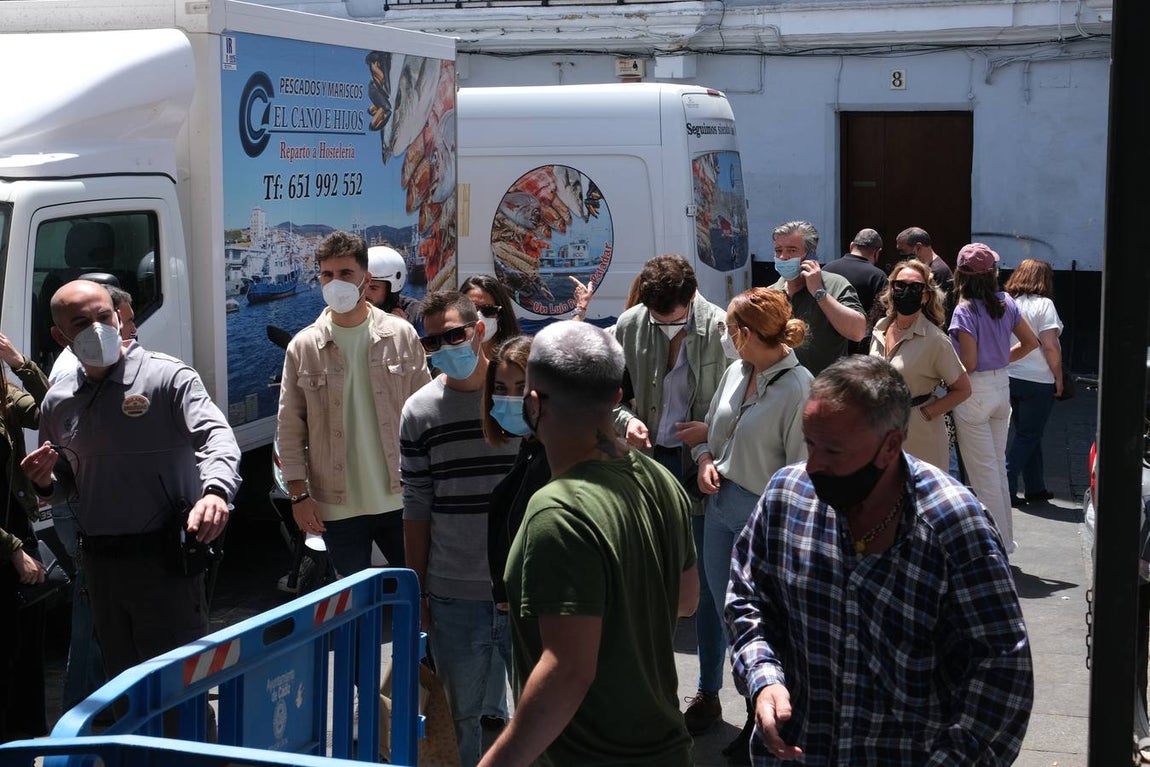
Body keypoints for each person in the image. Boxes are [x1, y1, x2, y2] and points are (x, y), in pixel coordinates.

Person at [727, 355, 1034, 765]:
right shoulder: (787, 495)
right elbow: (748, 599)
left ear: (890, 446)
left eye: (833, 450)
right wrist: (763, 678)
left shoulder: (954, 526)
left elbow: (1002, 672)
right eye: (810, 442)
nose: (813, 464)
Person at [479, 321, 697, 767]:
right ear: (617, 397)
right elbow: (687, 600)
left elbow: (567, 670)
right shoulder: (660, 479)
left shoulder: (556, 513)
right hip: (666, 749)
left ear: (534, 404)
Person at [22, 279, 241, 682]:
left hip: (166, 563)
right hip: (101, 568)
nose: (96, 329)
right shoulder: (59, 400)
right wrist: (44, 483)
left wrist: (214, 492)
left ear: (120, 316)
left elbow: (217, 437)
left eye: (104, 316)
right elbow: (66, 482)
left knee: (179, 689)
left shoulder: (169, 378)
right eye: (81, 322)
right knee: (125, 689)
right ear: (60, 335)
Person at [610, 253, 728, 735]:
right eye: (655, 318)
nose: (662, 325)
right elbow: (609, 395)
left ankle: (709, 690)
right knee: (644, 579)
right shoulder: (629, 324)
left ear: (691, 300)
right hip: (645, 462)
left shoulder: (721, 328)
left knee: (704, 586)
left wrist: (710, 438)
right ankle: (648, 687)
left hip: (701, 464)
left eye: (672, 318)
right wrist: (626, 420)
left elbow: (738, 403)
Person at [400, 290, 519, 767]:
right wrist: (420, 592)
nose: (445, 346)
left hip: (528, 587)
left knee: (541, 711)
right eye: (432, 342)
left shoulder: (518, 397)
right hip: (454, 592)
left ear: (479, 330)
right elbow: (417, 506)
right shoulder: (419, 412)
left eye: (453, 334)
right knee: (459, 720)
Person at [693, 288, 812, 762]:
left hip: (763, 519)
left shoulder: (798, 386)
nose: (724, 334)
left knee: (760, 624)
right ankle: (750, 713)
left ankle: (762, 722)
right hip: (719, 509)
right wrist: (704, 459)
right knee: (726, 614)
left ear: (746, 333)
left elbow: (803, 475)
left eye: (729, 328)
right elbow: (710, 429)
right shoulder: (736, 370)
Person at [278, 232, 430, 578]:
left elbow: (425, 416)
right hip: (336, 508)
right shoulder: (303, 348)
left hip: (402, 499)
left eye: (345, 274)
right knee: (355, 608)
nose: (335, 283)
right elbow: (289, 427)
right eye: (327, 275)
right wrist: (299, 496)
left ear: (366, 279)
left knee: (421, 593)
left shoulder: (401, 335)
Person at [948, 244, 1039, 555]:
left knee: (983, 473)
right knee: (996, 468)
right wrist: (1001, 358)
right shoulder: (1005, 301)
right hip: (1001, 385)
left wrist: (944, 374)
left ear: (960, 275)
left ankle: (995, 548)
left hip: (974, 391)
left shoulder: (965, 310)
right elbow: (1031, 342)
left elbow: (969, 363)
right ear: (993, 274)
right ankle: (1005, 542)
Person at [869, 259, 971, 470]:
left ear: (925, 296)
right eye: (901, 285)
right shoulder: (880, 328)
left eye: (916, 287)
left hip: (919, 435)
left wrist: (926, 414)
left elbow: (963, 389)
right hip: (880, 429)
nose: (907, 291)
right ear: (891, 289)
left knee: (917, 498)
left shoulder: (935, 340)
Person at [0, 331, 50, 741]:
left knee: (26, 647)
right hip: (6, 541)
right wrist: (13, 549)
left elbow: (50, 412)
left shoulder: (4, 392)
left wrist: (20, 363)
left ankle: (28, 742)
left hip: (16, 523)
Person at [768, 221, 865, 376]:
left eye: (792, 250)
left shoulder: (835, 284)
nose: (783, 257)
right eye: (778, 250)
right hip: (783, 391)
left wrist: (819, 292)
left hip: (825, 390)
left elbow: (857, 332)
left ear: (811, 253)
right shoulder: (770, 294)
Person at [1004, 258, 1064, 505]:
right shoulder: (1044, 304)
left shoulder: (1009, 304)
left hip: (1010, 375)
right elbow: (1050, 346)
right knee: (1029, 435)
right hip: (1037, 379)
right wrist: (1058, 377)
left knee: (1028, 434)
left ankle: (1035, 487)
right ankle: (1005, 485)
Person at [821, 228, 889, 355]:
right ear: (877, 252)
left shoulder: (827, 268)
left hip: (828, 342)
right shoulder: (878, 276)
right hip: (859, 346)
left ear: (852, 245)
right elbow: (881, 314)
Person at [461, 274, 522, 360]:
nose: (478, 315)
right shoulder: (450, 360)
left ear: (501, 315)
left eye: (488, 310)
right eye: (471, 308)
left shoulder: (515, 360)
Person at [365, 245, 422, 326]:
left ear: (391, 290)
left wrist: (404, 330)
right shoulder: (350, 309)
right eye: (362, 285)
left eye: (373, 288)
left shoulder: (415, 312)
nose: (364, 293)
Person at [896, 226, 954, 306]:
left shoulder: (937, 272)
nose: (901, 256)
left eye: (903, 251)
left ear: (918, 248)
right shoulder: (928, 268)